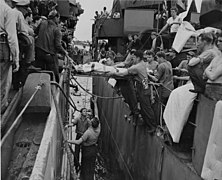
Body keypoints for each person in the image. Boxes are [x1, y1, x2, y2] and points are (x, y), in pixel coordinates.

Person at [110, 50, 157, 132]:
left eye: (134, 58)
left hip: (142, 87)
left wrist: (112, 73)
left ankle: (152, 126)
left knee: (146, 108)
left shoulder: (137, 67)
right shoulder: (143, 64)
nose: (133, 60)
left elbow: (122, 74)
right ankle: (147, 123)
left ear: (138, 58)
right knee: (144, 107)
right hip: (145, 86)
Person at [68, 97, 101, 180]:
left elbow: (78, 142)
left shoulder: (88, 132)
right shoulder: (98, 128)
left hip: (86, 150)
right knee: (91, 166)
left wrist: (68, 140)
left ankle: (83, 177)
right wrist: (95, 103)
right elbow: (97, 114)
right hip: (93, 149)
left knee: (85, 165)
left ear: (91, 124)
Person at [35, 10, 68, 82]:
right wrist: (65, 52)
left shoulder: (42, 23)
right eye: (58, 18)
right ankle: (56, 88)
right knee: (55, 76)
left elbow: (35, 33)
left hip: (38, 52)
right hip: (49, 55)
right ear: (56, 18)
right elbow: (58, 45)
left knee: (37, 73)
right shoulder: (57, 30)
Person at [0, 0, 20, 113]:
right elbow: (12, 37)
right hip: (2, 46)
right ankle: (2, 106)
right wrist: (16, 58)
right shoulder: (8, 11)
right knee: (3, 80)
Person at [67, 108, 91, 172]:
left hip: (84, 136)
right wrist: (68, 125)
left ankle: (83, 164)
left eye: (86, 111)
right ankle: (76, 164)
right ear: (81, 112)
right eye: (84, 111)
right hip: (78, 135)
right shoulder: (77, 119)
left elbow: (90, 129)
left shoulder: (88, 121)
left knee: (84, 150)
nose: (85, 112)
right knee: (77, 150)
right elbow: (73, 124)